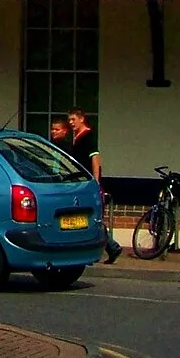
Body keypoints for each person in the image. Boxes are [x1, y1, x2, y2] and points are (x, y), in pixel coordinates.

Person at [65, 107, 123, 264]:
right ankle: (104, 248)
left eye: (73, 119)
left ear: (81, 119)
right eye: (69, 120)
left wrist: (95, 182)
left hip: (87, 184)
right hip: (78, 183)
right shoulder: (76, 137)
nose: (71, 123)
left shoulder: (88, 136)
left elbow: (95, 158)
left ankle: (111, 247)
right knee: (82, 218)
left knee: (90, 218)